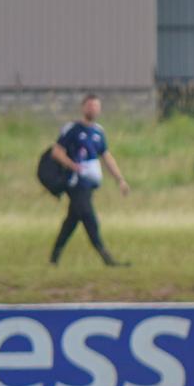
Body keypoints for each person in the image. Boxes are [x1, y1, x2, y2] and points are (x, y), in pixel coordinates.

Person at [43, 94, 126, 266]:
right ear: (83, 107)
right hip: (75, 182)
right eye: (90, 106)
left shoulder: (98, 132)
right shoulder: (72, 129)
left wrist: (120, 179)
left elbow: (106, 157)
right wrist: (73, 165)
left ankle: (54, 258)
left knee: (71, 221)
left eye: (96, 106)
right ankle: (107, 258)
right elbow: (56, 152)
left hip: (89, 184)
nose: (93, 109)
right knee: (89, 218)